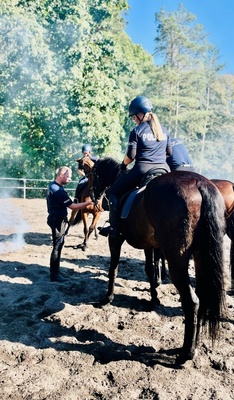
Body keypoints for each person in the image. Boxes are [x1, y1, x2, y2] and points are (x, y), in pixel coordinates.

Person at [99, 95, 172, 238]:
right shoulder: (164, 131)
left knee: (112, 192)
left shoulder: (137, 131)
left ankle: (115, 229)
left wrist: (123, 165)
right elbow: (169, 153)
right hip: (164, 169)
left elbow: (130, 156)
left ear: (140, 114)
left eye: (134, 116)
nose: (133, 119)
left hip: (143, 168)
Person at [47, 166, 94, 282]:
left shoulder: (53, 186)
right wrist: (88, 202)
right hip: (58, 220)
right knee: (57, 246)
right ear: (61, 175)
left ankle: (56, 271)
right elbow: (72, 206)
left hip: (56, 218)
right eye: (68, 176)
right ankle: (54, 275)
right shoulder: (58, 190)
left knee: (59, 245)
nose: (70, 179)